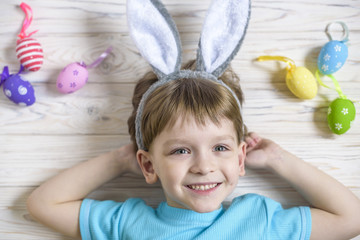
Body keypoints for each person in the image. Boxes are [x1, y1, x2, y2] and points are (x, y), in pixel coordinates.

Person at [27, 0, 360, 239]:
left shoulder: (257, 221)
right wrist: (119, 160)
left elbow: (351, 219)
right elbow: (43, 204)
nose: (204, 165)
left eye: (220, 147)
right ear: (148, 165)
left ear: (241, 157)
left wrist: (278, 159)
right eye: (180, 151)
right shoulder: (130, 224)